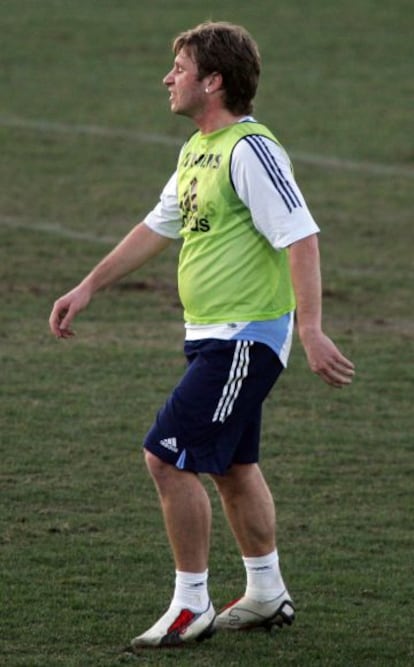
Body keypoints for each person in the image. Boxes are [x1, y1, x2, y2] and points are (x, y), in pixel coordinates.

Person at [49, 21, 355, 650]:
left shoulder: (250, 150)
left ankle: (191, 604)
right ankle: (266, 592)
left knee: (165, 457)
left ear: (212, 81)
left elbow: (301, 234)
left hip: (244, 338)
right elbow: (156, 228)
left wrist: (313, 327)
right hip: (213, 336)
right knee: (235, 466)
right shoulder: (197, 152)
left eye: (180, 68)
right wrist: (88, 286)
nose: (168, 78)